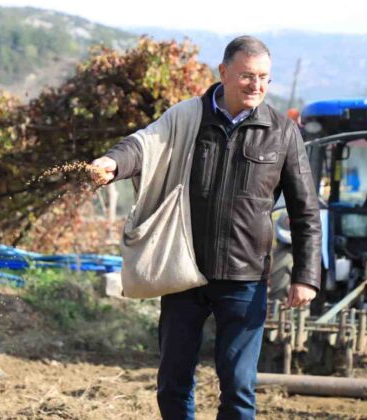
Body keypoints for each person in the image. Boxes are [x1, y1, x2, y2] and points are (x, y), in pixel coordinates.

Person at [90, 35, 322, 420]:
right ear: (224, 72)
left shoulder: (282, 132)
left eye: (264, 78)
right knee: (173, 381)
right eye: (248, 76)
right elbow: (144, 146)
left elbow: (305, 211)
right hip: (184, 270)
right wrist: (112, 163)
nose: (257, 86)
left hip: (244, 279)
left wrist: (306, 276)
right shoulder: (187, 118)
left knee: (238, 386)